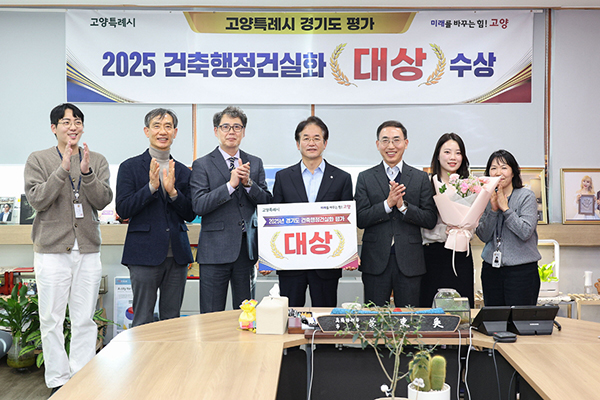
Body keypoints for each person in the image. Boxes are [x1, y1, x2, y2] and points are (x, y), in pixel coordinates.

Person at [24, 103, 112, 394]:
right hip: (51, 251)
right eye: (65, 122)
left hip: (87, 249)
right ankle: (58, 380)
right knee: (51, 319)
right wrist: (62, 170)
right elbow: (38, 200)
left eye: (77, 121)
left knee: (84, 319)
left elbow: (102, 200)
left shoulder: (96, 160)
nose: (72, 126)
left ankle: (81, 379)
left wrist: (86, 173)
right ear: (54, 128)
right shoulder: (38, 159)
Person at [116, 108, 195, 327]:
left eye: (168, 126)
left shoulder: (183, 171)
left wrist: (173, 193)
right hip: (143, 254)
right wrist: (150, 188)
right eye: (157, 126)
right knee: (142, 319)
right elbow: (123, 209)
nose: (163, 131)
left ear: (175, 132)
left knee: (172, 320)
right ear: (147, 131)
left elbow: (190, 213)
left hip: (177, 256)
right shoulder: (130, 167)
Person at [190, 106, 272, 313]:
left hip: (246, 251)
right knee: (211, 315)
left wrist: (248, 184)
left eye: (237, 127)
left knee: (246, 314)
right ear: (216, 131)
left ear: (243, 132)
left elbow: (266, 203)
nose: (231, 132)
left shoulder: (255, 162)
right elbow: (199, 205)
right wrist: (230, 185)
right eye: (225, 127)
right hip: (214, 251)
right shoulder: (202, 164)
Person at [272, 116, 354, 307]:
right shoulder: (283, 177)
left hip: (327, 264)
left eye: (317, 138)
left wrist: (349, 255)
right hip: (291, 263)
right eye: (306, 138)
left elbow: (347, 221)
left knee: (325, 316)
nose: (311, 143)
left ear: (325, 143)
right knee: (290, 316)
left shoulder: (342, 178)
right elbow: (275, 219)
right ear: (298, 143)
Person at [354, 120, 437, 307]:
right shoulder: (365, 178)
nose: (390, 146)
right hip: (375, 260)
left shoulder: (420, 178)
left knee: (409, 318)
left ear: (405, 143)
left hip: (410, 261)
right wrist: (387, 204)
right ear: (378, 144)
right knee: (374, 318)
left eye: (396, 140)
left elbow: (430, 219)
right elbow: (360, 218)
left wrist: (403, 206)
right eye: (385, 140)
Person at [475, 149, 541, 306]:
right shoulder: (484, 198)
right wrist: (493, 210)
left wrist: (506, 209)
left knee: (520, 318)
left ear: (513, 172)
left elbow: (525, 232)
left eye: (504, 167)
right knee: (495, 318)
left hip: (522, 272)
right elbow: (483, 235)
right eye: (493, 168)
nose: (499, 172)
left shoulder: (526, 196)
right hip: (491, 270)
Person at [420, 133, 475, 308]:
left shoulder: (470, 186)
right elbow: (421, 222)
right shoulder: (426, 184)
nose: (453, 157)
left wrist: (464, 230)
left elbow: (475, 222)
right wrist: (443, 231)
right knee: (430, 309)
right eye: (447, 152)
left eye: (458, 153)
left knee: (461, 308)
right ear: (438, 155)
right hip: (433, 256)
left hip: (461, 255)